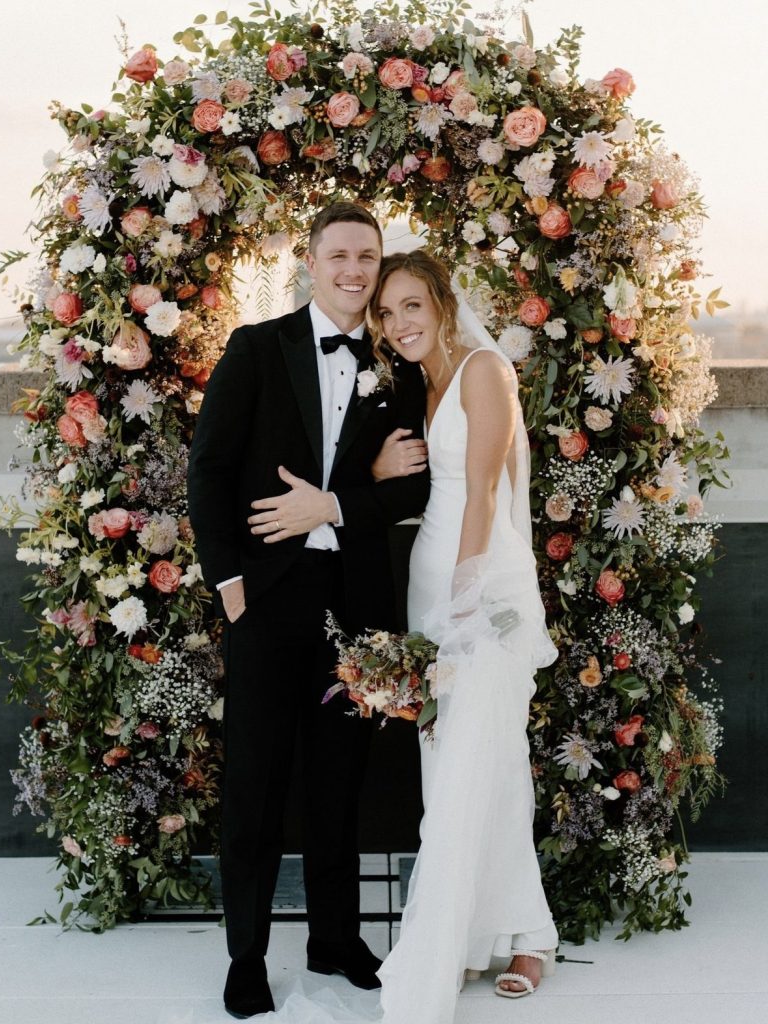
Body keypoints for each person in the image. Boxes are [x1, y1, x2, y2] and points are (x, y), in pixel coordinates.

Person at [187, 203, 430, 1020]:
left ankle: (335, 938)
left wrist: (332, 505)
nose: (355, 271)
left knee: (340, 781)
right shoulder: (258, 349)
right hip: (266, 601)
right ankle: (247, 955)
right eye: (339, 255)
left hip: (356, 604)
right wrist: (230, 586)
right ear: (310, 259)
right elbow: (209, 471)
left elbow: (419, 486)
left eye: (368, 255)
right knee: (254, 780)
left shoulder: (401, 369)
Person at [366, 250, 560, 1021]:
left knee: (488, 753)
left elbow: (482, 488)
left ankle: (502, 938)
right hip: (430, 578)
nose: (398, 323)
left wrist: (468, 597)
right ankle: (509, 932)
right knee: (451, 758)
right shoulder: (423, 382)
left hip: (483, 583)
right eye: (386, 313)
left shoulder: (484, 369)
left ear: (443, 303)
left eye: (411, 305)